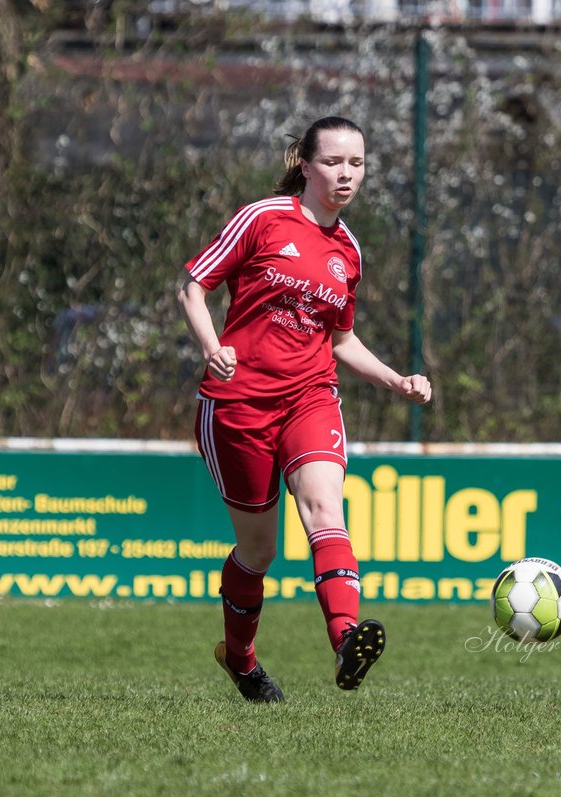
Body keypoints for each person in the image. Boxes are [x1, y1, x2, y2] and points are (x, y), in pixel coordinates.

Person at [178, 116, 432, 703]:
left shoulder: (348, 249)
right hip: (238, 407)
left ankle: (346, 639)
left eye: (357, 164)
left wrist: (396, 379)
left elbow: (341, 341)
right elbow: (194, 286)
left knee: (325, 511)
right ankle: (240, 659)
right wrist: (213, 348)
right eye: (333, 162)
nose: (346, 174)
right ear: (306, 165)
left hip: (310, 397)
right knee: (259, 550)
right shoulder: (264, 217)